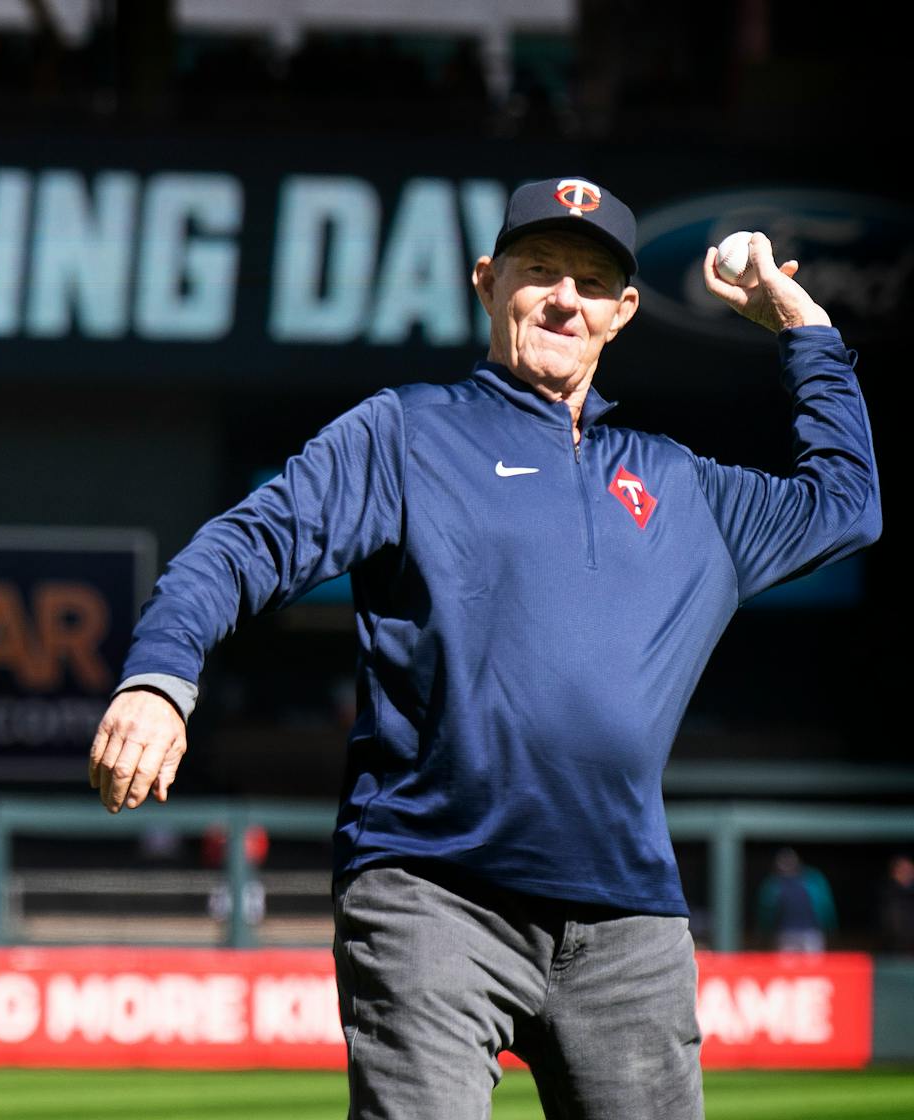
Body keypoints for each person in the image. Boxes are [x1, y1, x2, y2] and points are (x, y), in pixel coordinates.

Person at [88, 177, 879, 1119]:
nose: (563, 299)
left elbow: (846, 504)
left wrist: (796, 318)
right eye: (539, 270)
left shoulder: (682, 485)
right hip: (434, 894)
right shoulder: (407, 433)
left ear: (623, 312)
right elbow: (242, 546)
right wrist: (160, 675)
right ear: (486, 281)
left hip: (628, 921)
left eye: (590, 283)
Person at [755, 847, 836, 953]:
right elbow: (766, 913)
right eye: (783, 862)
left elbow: (825, 907)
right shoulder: (774, 884)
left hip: (811, 933)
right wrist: (764, 932)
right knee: (786, 968)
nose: (786, 865)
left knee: (813, 967)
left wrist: (830, 928)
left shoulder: (812, 881)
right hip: (786, 934)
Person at [880, 854, 914, 955]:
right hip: (893, 952)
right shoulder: (886, 897)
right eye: (902, 870)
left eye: (909, 870)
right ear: (893, 873)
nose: (906, 874)